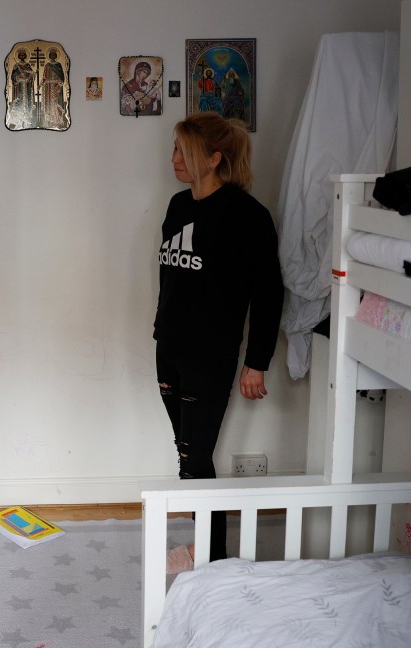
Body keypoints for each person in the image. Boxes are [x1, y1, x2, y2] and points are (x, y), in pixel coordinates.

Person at [155, 113, 283, 573]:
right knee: (188, 450)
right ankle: (208, 550)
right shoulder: (177, 206)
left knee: (196, 455)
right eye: (173, 149)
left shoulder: (247, 216)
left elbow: (268, 293)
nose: (174, 159)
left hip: (211, 354)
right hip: (168, 345)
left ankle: (211, 555)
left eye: (182, 151)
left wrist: (257, 361)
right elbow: (171, 277)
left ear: (213, 158)